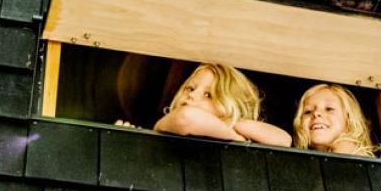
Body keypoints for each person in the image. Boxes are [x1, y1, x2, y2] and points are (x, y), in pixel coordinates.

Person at [118, 63, 291, 147]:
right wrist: (237, 137)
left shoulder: (229, 130)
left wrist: (235, 123)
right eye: (190, 88)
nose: (192, 95)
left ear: (229, 106)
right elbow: (186, 119)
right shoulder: (165, 123)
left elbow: (283, 140)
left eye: (208, 94)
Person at [293, 83, 377, 156]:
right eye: (308, 111)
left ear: (349, 121)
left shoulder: (352, 152)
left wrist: (344, 146)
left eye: (329, 109)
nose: (316, 113)